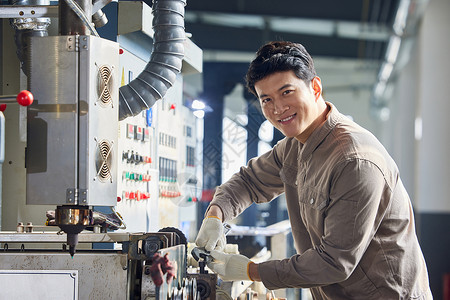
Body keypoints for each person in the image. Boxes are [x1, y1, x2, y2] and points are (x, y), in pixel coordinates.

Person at [195, 41, 432, 299]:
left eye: (287, 92)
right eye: (267, 99)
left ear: (315, 88)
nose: (277, 108)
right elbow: (249, 181)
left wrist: (251, 271)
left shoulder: (354, 161)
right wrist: (216, 216)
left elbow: (334, 262)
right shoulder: (294, 147)